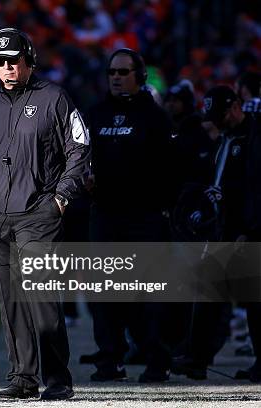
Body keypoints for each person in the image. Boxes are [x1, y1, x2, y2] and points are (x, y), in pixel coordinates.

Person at [0, 28, 90, 400]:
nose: (7, 67)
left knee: (41, 299)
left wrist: (61, 198)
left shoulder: (55, 98)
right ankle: (23, 378)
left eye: (14, 59)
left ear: (30, 59)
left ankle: (58, 380)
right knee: (10, 302)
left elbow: (80, 148)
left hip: (38, 214)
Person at [85, 48, 174, 383]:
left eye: (123, 72)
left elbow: (168, 168)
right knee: (104, 292)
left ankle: (156, 359)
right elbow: (80, 156)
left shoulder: (155, 117)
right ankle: (109, 359)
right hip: (105, 214)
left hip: (145, 216)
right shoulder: (95, 114)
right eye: (112, 72)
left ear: (140, 76)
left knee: (148, 294)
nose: (117, 77)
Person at [173, 86, 261, 382]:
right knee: (210, 293)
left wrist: (251, 230)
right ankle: (197, 359)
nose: (217, 122)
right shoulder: (226, 138)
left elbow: (255, 189)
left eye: (220, 115)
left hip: (245, 232)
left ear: (236, 106)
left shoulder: (253, 138)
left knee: (253, 300)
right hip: (223, 229)